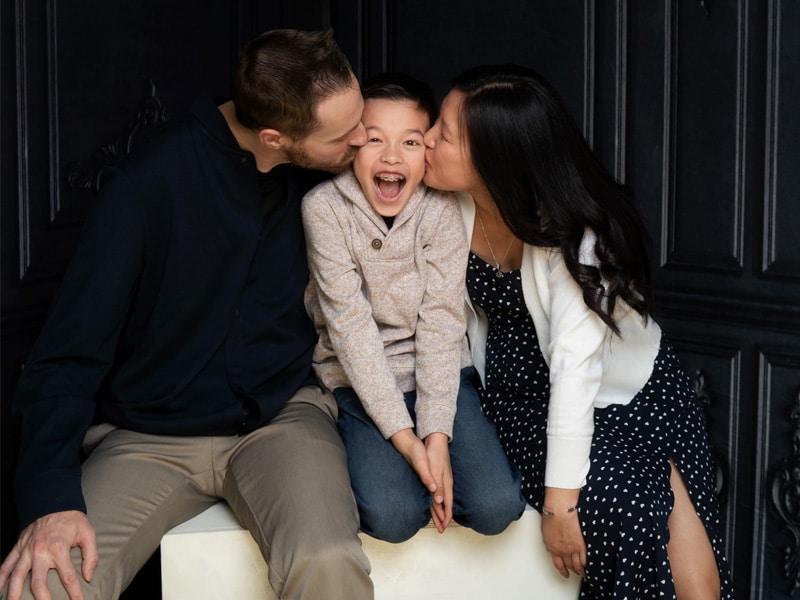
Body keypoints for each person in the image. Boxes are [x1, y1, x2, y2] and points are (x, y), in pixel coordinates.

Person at [0, 29, 374, 600]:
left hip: (282, 421)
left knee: (328, 563)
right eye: (345, 136)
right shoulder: (144, 188)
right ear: (275, 137)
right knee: (42, 587)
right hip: (147, 436)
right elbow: (64, 356)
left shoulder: (338, 180)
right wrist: (50, 500)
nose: (363, 139)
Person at [423, 63, 735, 599]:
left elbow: (575, 367)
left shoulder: (574, 237)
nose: (426, 141)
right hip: (523, 402)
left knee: (694, 572)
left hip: (629, 393)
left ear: (495, 159)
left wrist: (560, 507)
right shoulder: (444, 208)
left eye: (443, 135)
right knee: (633, 509)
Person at [301, 72, 525, 544]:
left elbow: (442, 324)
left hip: (437, 371)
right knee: (395, 517)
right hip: (357, 376)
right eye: (375, 139)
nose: (391, 156)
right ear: (353, 145)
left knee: (495, 507)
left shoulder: (442, 207)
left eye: (409, 142)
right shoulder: (324, 208)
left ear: (428, 151)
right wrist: (408, 442)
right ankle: (369, 447)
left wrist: (437, 439)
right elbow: (351, 331)